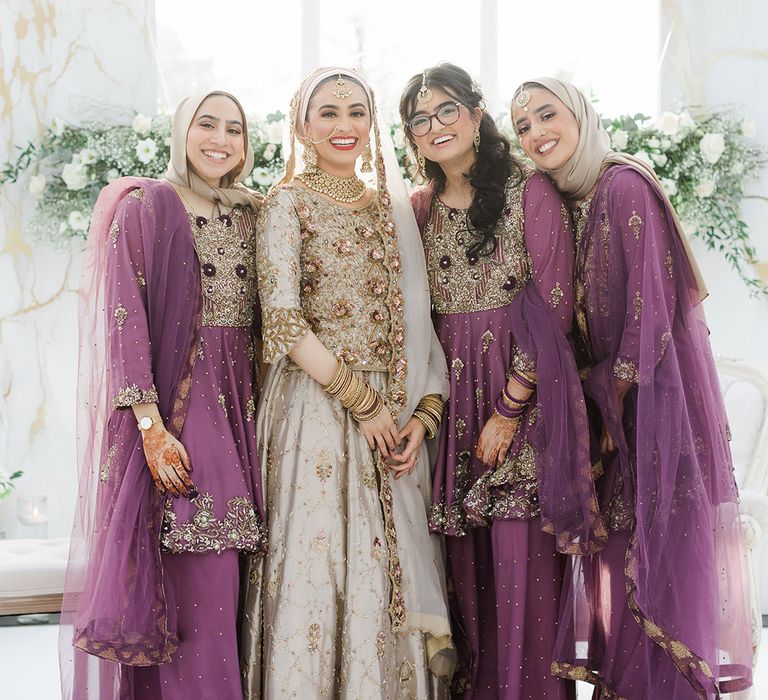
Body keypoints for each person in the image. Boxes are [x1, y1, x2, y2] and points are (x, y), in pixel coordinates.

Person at [511, 77, 754, 699]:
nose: (537, 133)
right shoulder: (577, 198)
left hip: (652, 422)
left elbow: (652, 311)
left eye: (547, 115)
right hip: (621, 419)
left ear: (581, 115)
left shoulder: (623, 186)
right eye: (523, 127)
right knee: (626, 577)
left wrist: (607, 401)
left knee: (656, 579)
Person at [241, 67, 453, 699]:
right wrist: (358, 399)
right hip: (316, 407)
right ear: (302, 124)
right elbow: (281, 317)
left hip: (394, 407)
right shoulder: (286, 202)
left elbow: (422, 321)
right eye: (327, 112)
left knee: (382, 570)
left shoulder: (391, 207)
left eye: (356, 111)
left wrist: (422, 414)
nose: (343, 126)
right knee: (318, 562)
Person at [400, 63, 604, 700]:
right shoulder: (419, 208)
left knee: (524, 582)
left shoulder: (528, 190)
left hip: (522, 403)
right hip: (454, 403)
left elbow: (555, 304)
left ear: (476, 114)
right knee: (469, 589)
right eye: (420, 119)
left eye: (447, 110)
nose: (436, 126)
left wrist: (510, 407)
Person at [60, 91, 267, 699]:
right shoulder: (147, 206)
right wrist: (152, 429)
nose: (220, 139)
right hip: (179, 411)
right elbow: (124, 319)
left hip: (243, 409)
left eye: (234, 129)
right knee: (193, 595)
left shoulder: (251, 214)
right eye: (206, 124)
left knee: (225, 606)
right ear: (181, 131)